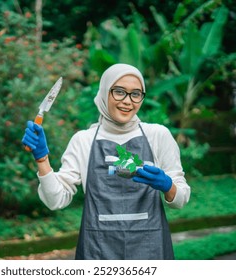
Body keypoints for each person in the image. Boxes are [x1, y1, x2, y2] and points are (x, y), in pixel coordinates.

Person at [22, 63, 191, 260]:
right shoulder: (83, 140)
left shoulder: (158, 135)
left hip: (149, 248)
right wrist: (42, 160)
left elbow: (181, 199)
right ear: (104, 92)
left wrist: (168, 186)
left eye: (136, 94)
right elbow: (55, 200)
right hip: (98, 250)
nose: (128, 101)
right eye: (119, 92)